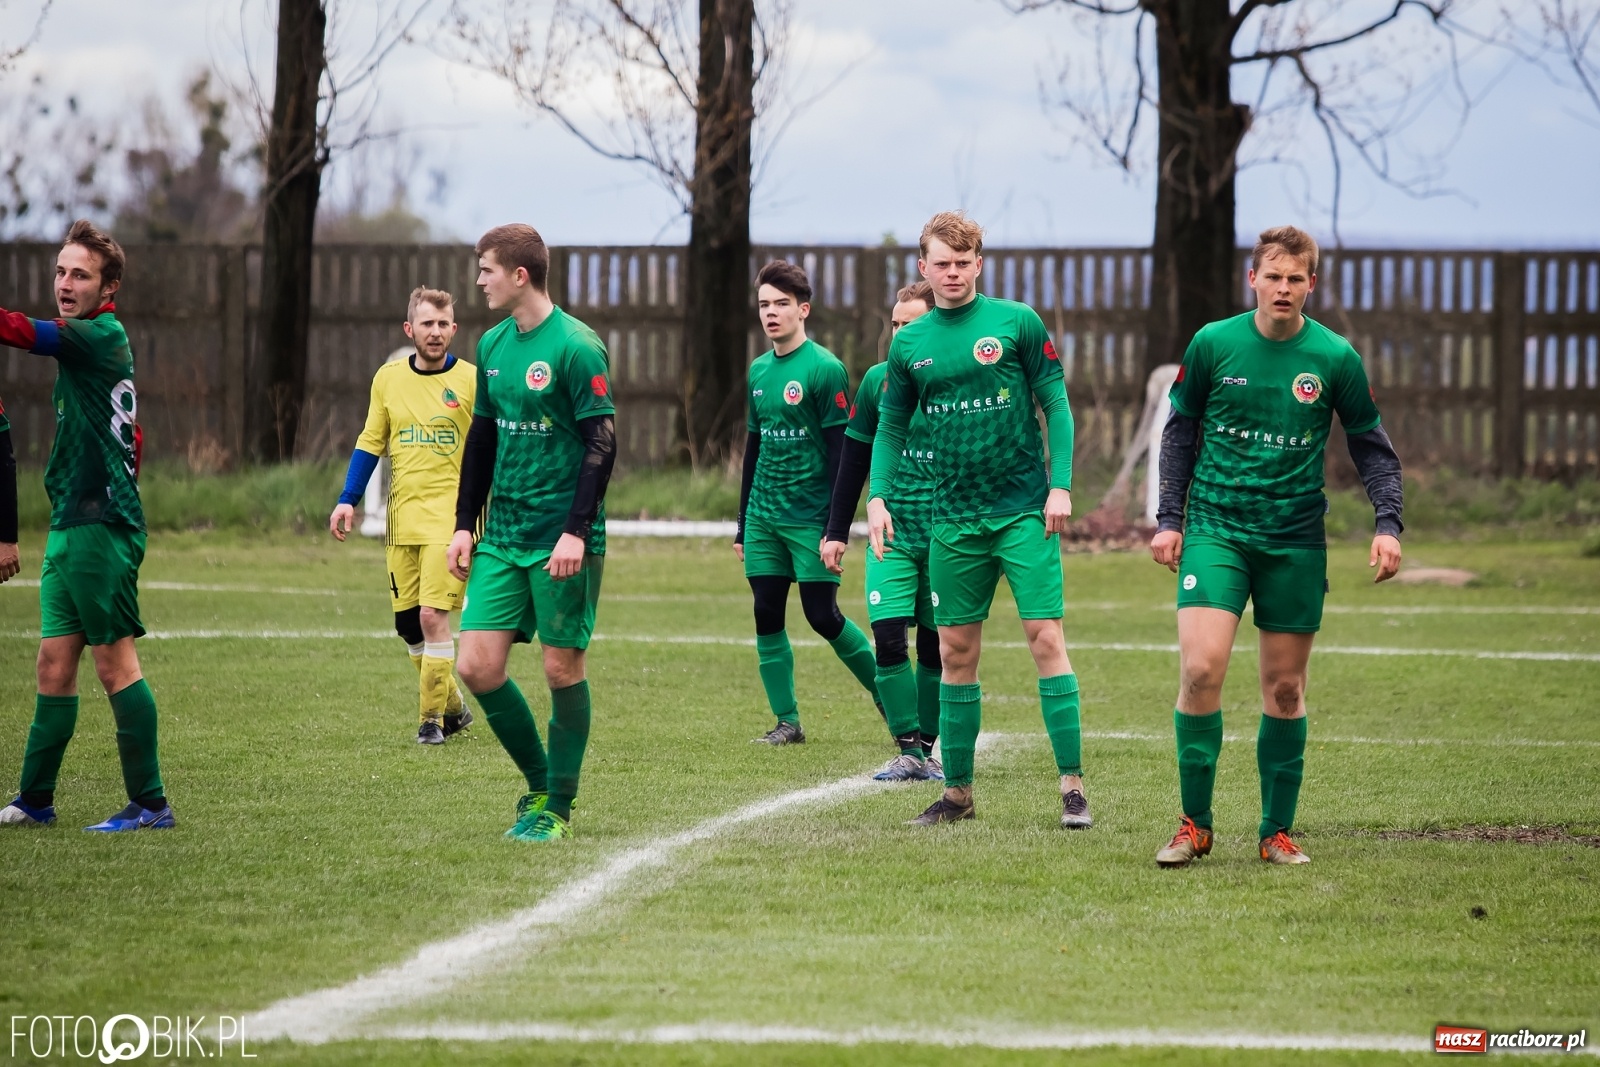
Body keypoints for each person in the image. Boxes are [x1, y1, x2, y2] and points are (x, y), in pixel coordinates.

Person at [1150, 225, 1403, 868]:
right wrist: (1170, 518)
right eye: (1273, 277)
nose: (1283, 288)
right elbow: (1179, 433)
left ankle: (1275, 832)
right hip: (1217, 529)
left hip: (1293, 539)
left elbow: (1372, 447)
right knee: (1201, 669)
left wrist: (1388, 524)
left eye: (1295, 278)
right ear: (1253, 280)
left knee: (1285, 689)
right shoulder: (1214, 344)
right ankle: (1194, 825)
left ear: (1310, 284)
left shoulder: (1335, 357)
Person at [868, 211, 1092, 829]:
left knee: (1046, 639)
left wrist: (1060, 485)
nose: (953, 273)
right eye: (942, 263)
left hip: (1021, 512)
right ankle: (957, 794)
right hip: (953, 520)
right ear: (924, 267)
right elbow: (889, 428)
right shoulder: (909, 344)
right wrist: (878, 496)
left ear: (979, 265)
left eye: (963, 263)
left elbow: (1056, 403)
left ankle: (1072, 788)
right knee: (956, 652)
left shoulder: (1016, 322)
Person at [0, 220, 172, 832]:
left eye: (80, 275)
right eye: (60, 272)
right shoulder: (94, 344)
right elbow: (134, 437)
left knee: (115, 664)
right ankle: (35, 800)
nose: (65, 284)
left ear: (109, 287)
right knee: (53, 662)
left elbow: (22, 331)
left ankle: (151, 804)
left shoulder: (97, 335)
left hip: (100, 524)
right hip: (73, 520)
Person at [447, 223, 616, 843]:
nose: (479, 281)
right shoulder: (492, 344)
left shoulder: (577, 346)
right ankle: (543, 781)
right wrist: (464, 525)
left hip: (560, 537)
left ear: (520, 276)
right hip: (502, 533)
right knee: (476, 665)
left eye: (487, 269)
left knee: (560, 667)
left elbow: (602, 443)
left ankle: (558, 808)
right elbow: (482, 439)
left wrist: (576, 532)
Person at [736, 260, 880, 746]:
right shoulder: (758, 371)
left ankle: (887, 694)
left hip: (810, 517)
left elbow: (843, 454)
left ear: (803, 310)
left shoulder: (825, 369)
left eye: (781, 304)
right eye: (764, 305)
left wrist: (835, 525)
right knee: (765, 611)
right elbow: (753, 448)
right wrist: (743, 523)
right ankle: (787, 722)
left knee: (822, 616)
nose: (771, 313)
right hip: (764, 516)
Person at [330, 286, 477, 745]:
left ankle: (431, 721)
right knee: (409, 626)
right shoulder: (388, 379)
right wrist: (348, 498)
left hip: (452, 523)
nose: (435, 332)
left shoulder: (472, 381)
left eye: (443, 324)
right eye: (427, 323)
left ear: (454, 329)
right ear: (410, 329)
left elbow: (492, 445)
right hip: (402, 521)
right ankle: (454, 708)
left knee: (433, 616)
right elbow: (370, 441)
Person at [822, 280, 944, 781]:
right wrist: (835, 531)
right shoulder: (877, 382)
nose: (899, 334)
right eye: (894, 324)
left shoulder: (956, 380)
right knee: (888, 637)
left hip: (946, 534)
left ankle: (932, 749)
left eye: (910, 325)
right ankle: (908, 749)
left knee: (937, 646)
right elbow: (852, 461)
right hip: (888, 532)